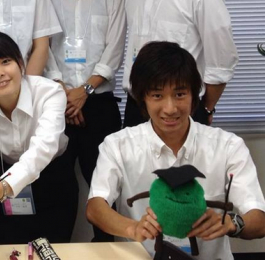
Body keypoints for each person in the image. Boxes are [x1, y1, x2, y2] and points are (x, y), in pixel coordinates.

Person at [86, 41, 265, 259]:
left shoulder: (228, 146)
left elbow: (259, 219)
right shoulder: (118, 145)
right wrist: (132, 228)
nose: (170, 109)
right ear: (143, 97)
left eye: (180, 94)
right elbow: (95, 207)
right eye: (157, 95)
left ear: (193, 95)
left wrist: (232, 223)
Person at [46, 0, 126, 242]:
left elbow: (114, 50)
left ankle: (106, 249)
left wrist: (85, 91)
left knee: (104, 185)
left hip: (100, 104)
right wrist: (64, 93)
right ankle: (56, 249)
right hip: (56, 103)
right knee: (56, 186)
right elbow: (42, 47)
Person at [0, 31, 78, 245]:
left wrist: (5, 187)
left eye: (5, 62)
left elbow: (43, 148)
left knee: (52, 250)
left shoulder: (50, 92)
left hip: (51, 176)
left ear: (21, 64)